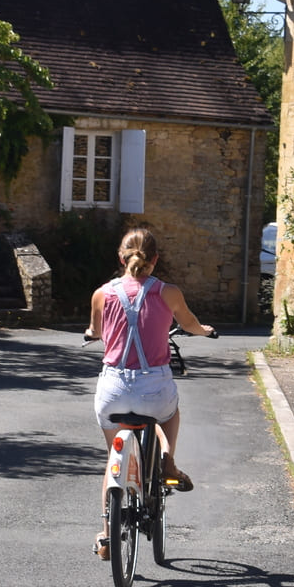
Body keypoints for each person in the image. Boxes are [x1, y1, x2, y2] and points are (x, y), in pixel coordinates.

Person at [85, 228, 216, 558]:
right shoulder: (168, 292)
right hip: (153, 387)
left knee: (112, 458)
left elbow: (95, 331)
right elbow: (189, 324)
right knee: (170, 413)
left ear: (120, 257)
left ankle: (106, 535)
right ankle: (168, 462)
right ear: (155, 260)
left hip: (112, 389)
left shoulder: (102, 293)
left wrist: (90, 332)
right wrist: (205, 331)